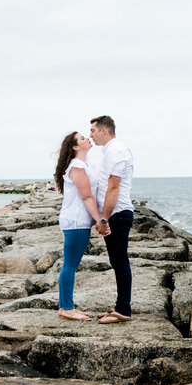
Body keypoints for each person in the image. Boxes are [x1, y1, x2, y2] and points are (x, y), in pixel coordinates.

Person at [53, 130, 105, 321]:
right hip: (76, 222)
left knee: (70, 265)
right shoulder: (77, 166)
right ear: (75, 147)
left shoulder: (82, 165)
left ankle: (65, 306)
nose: (87, 138)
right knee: (70, 266)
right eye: (82, 138)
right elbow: (86, 196)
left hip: (77, 222)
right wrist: (100, 220)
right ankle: (66, 307)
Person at [90, 114, 134, 323]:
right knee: (117, 261)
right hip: (113, 214)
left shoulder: (116, 150)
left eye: (93, 130)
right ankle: (119, 305)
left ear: (104, 130)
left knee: (120, 261)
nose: (91, 135)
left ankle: (124, 310)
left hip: (117, 214)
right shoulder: (109, 151)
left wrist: (104, 218)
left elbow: (113, 187)